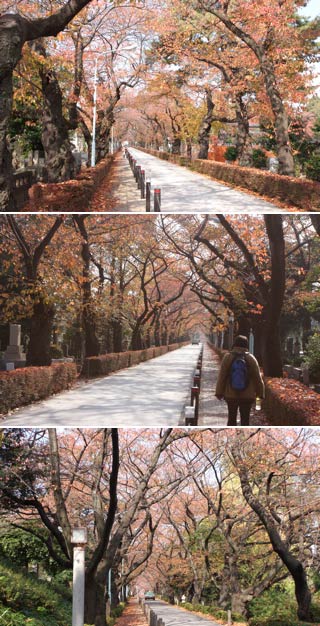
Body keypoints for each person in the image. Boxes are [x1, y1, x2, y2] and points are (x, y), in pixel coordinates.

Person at [215, 335, 264, 426]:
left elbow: (222, 376)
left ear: (235, 343)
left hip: (231, 395)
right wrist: (260, 394)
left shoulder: (228, 357)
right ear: (246, 345)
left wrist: (219, 392)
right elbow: (258, 378)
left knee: (231, 419)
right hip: (247, 396)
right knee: (245, 420)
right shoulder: (251, 358)